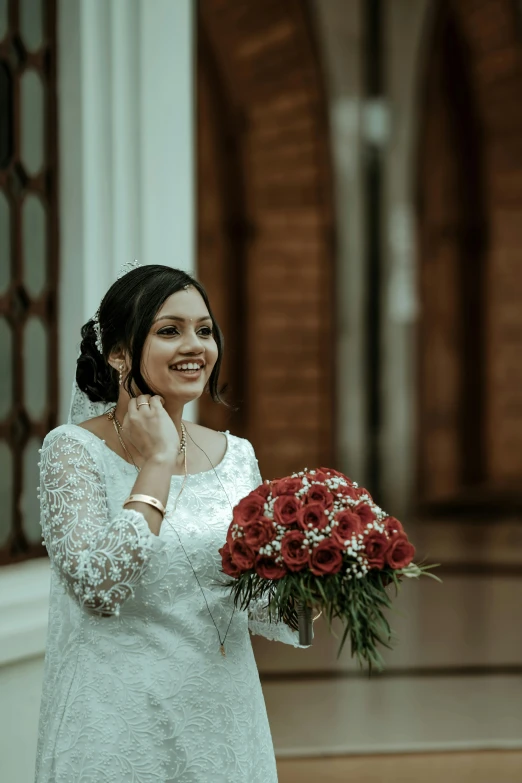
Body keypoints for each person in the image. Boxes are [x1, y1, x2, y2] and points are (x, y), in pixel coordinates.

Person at [35, 264, 306, 783]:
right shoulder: (72, 451)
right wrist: (157, 462)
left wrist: (317, 575)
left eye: (204, 330)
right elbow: (98, 587)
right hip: (117, 726)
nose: (195, 346)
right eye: (169, 330)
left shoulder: (236, 456)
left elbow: (256, 604)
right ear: (117, 353)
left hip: (222, 718)